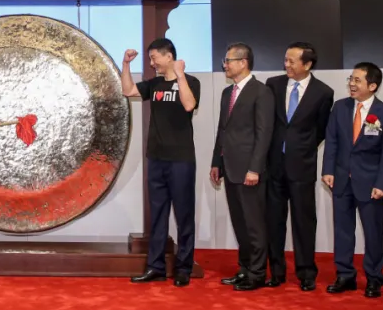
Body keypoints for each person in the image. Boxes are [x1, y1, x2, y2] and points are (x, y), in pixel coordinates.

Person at [122, 39, 201, 288]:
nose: (151, 62)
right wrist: (126, 64)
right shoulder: (154, 84)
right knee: (157, 215)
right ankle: (155, 267)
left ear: (169, 56)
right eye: (149, 58)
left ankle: (184, 267)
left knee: (184, 215)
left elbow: (189, 104)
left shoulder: (190, 82)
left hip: (181, 160)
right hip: (156, 158)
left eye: (154, 57)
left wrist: (180, 76)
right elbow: (128, 91)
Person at [322, 62, 383, 298]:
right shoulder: (340, 107)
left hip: (370, 183)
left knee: (373, 233)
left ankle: (374, 278)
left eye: (357, 80)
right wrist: (328, 170)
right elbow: (331, 140)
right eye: (351, 79)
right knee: (342, 230)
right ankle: (345, 275)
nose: (352, 84)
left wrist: (382, 183)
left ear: (372, 86)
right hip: (341, 180)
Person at [265, 42, 333, 291]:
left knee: (304, 221)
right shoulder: (273, 84)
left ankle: (306, 272)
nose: (286, 65)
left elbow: (321, 129)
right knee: (274, 221)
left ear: (307, 64)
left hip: (302, 166)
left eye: (292, 61)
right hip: (274, 165)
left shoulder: (323, 92)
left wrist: (301, 148)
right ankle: (276, 271)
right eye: (285, 59)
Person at [211, 42, 274, 291]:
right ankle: (244, 269)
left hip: (250, 171)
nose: (225, 65)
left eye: (228, 61)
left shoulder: (261, 92)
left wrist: (255, 168)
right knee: (240, 223)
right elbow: (222, 130)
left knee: (254, 224)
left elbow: (264, 133)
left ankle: (257, 274)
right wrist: (216, 162)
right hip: (230, 167)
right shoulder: (228, 93)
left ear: (243, 62)